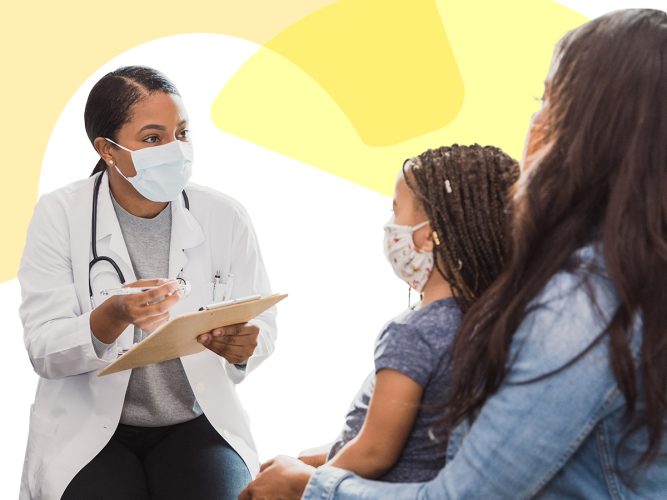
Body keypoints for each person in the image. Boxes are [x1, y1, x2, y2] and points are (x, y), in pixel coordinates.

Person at [239, 8, 667, 499]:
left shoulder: (579, 308)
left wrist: (311, 486)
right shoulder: (622, 281)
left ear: (594, 131)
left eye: (548, 100)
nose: (535, 123)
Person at [18, 66, 277, 500]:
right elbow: (44, 349)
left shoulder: (224, 215)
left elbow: (262, 323)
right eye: (153, 138)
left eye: (182, 133)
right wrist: (110, 317)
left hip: (194, 422)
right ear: (108, 150)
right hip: (92, 430)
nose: (175, 150)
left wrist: (246, 344)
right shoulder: (59, 215)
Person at [241, 143, 519, 497]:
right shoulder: (486, 320)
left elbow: (376, 452)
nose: (390, 227)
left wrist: (309, 483)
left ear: (425, 236)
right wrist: (326, 454)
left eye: (395, 211)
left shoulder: (413, 334)